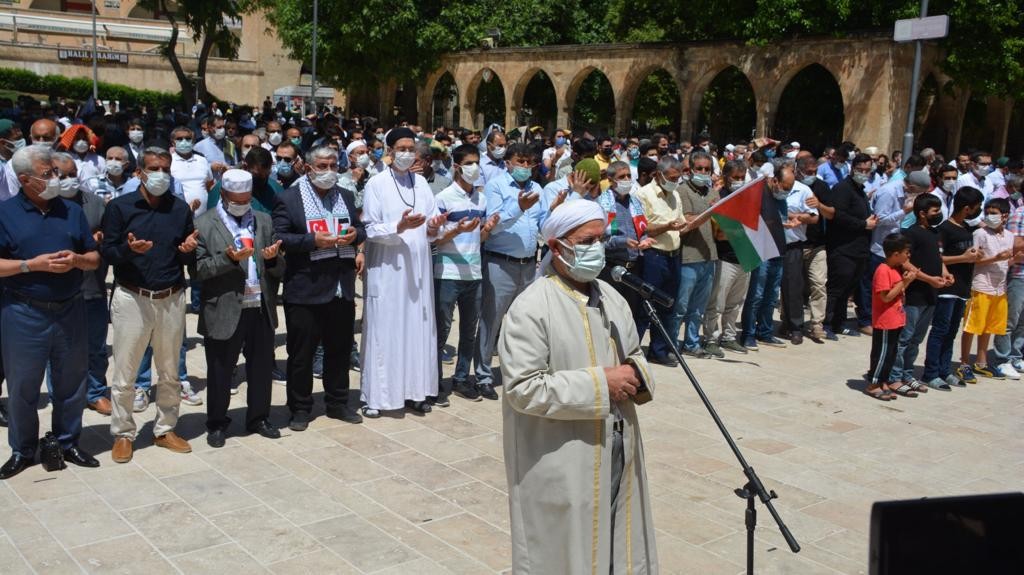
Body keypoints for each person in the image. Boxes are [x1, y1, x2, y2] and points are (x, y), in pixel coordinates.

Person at [499, 200, 658, 574]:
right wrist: (602, 383)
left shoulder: (613, 296)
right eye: (587, 241)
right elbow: (523, 388)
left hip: (618, 446)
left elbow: (634, 354)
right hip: (563, 458)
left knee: (618, 547)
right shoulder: (531, 307)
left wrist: (635, 375)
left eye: (601, 239)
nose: (597, 248)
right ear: (557, 247)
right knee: (567, 554)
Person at [0, 145, 102, 479]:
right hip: (23, 311)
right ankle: (23, 449)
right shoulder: (5, 213)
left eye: (55, 172)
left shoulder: (71, 211)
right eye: (47, 174)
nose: (55, 179)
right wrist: (31, 265)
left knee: (71, 382)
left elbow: (94, 258)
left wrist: (77, 260)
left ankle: (68, 441)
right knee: (23, 386)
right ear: (24, 179)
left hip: (70, 308)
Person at [102, 146, 199, 463]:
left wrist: (188, 250)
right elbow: (108, 253)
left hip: (170, 296)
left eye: (165, 169)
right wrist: (129, 251)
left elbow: (186, 254)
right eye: (154, 169)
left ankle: (165, 429)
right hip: (132, 297)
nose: (160, 175)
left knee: (170, 371)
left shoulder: (180, 209)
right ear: (139, 172)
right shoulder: (120, 207)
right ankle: (123, 433)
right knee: (125, 371)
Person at [273, 146, 365, 430]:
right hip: (306, 288)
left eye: (333, 166)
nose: (328, 171)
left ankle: (337, 402)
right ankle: (300, 408)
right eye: (322, 166)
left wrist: (355, 235)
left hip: (340, 286)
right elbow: (280, 238)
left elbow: (360, 228)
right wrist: (313, 241)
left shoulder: (345, 196)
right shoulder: (290, 199)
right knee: (302, 354)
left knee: (339, 350)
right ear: (308, 168)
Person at [195, 170, 283, 447]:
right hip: (224, 307)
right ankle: (217, 423)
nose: (242, 205)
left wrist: (272, 260)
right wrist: (229, 260)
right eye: (236, 201)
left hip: (259, 306)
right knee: (220, 370)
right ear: (223, 195)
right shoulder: (204, 224)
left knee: (260, 367)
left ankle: (258, 417)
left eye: (246, 200)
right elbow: (198, 270)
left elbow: (280, 266)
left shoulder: (263, 221)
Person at [360, 128, 445, 416]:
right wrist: (399, 226)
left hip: (418, 268)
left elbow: (432, 225)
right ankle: (377, 397)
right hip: (388, 266)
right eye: (402, 148)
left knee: (417, 329)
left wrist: (435, 226)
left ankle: (415, 392)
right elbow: (370, 228)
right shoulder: (376, 184)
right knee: (386, 329)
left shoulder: (421, 183)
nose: (407, 153)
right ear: (390, 151)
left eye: (411, 148)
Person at [474, 142, 545, 399]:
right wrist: (519, 207)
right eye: (520, 161)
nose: (525, 166)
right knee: (491, 321)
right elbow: (494, 224)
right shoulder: (496, 186)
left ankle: (518, 371)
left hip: (528, 265)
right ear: (508, 163)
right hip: (500, 263)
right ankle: (482, 375)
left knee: (524, 323)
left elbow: (543, 221)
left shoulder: (537, 188)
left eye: (529, 162)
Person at [432, 144, 498, 404]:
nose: (474, 167)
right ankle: (434, 381)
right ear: (457, 167)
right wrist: (457, 230)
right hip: (448, 272)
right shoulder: (444, 198)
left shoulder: (481, 199)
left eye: (477, 162)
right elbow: (436, 239)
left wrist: (487, 229)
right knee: (442, 330)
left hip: (473, 272)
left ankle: (461, 378)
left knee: (469, 331)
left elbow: (478, 238)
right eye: (469, 163)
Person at [52, 152, 111, 415]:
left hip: (92, 288)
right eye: (62, 175)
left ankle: (95, 392)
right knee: (59, 350)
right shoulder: (44, 205)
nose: (68, 180)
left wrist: (100, 240)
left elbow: (110, 241)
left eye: (72, 174)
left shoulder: (95, 203)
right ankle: (62, 397)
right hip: (56, 293)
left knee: (96, 347)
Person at [921, 187, 984, 390]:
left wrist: (974, 256)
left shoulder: (966, 228)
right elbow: (938, 258)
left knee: (952, 332)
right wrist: (963, 258)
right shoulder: (944, 229)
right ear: (967, 208)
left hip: (963, 288)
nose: (978, 211)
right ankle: (931, 373)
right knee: (940, 330)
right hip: (947, 288)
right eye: (977, 207)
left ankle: (944, 370)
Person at [888, 194, 950, 395]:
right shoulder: (911, 234)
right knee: (904, 339)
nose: (939, 214)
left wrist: (945, 273)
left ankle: (908, 374)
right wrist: (927, 278)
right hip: (915, 295)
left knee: (916, 339)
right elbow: (905, 262)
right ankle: (895, 377)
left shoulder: (934, 232)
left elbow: (938, 257)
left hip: (931, 294)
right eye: (935, 211)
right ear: (922, 213)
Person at [634, 156, 686, 365]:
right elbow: (641, 227)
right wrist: (667, 227)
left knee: (668, 306)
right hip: (653, 256)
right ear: (658, 175)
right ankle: (632, 351)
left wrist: (690, 224)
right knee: (645, 306)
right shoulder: (643, 194)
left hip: (673, 255)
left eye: (677, 178)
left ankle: (658, 350)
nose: (675, 182)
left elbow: (681, 222)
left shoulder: (675, 194)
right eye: (671, 178)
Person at [958, 197, 1015, 382]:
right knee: (971, 326)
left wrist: (1011, 260)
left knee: (988, 327)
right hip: (981, 286)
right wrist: (996, 258)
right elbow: (973, 260)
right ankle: (964, 363)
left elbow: (1005, 261)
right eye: (988, 213)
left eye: (994, 213)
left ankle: (981, 362)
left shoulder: (1009, 236)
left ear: (1005, 216)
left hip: (999, 288)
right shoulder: (980, 234)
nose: (990, 216)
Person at [823, 154, 877, 339]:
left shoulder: (860, 190)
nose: (863, 173)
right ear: (853, 168)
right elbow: (838, 216)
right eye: (860, 169)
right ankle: (826, 324)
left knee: (847, 289)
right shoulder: (843, 189)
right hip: (843, 248)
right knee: (836, 289)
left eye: (867, 170)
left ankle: (839, 323)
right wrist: (863, 224)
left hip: (859, 249)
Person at [596, 160, 652, 331]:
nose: (627, 179)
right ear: (611, 179)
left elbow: (642, 229)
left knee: (631, 314)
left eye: (628, 175)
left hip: (634, 266)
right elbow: (600, 238)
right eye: (622, 177)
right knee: (611, 314)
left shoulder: (635, 202)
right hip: (612, 267)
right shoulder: (602, 203)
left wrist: (645, 239)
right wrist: (623, 241)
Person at [703, 161, 751, 355]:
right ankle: (710, 338)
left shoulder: (747, 197)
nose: (739, 181)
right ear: (725, 177)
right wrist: (738, 229)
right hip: (724, 258)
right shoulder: (718, 198)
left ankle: (729, 337)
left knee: (736, 302)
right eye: (735, 177)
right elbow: (720, 234)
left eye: (742, 177)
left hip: (744, 257)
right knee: (717, 303)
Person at [866, 233, 917, 401]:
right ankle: (874, 384)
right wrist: (905, 282)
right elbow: (886, 297)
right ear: (896, 254)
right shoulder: (883, 270)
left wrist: (906, 282)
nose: (908, 256)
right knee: (882, 354)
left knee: (891, 354)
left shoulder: (895, 269)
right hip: (885, 321)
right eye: (906, 252)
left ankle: (883, 382)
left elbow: (897, 292)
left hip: (896, 319)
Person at [778, 164, 819, 345]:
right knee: (766, 289)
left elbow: (814, 217)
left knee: (793, 287)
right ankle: (765, 326)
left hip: (792, 245)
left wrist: (798, 217)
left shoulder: (804, 190)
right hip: (771, 244)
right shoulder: (771, 189)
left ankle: (795, 327)